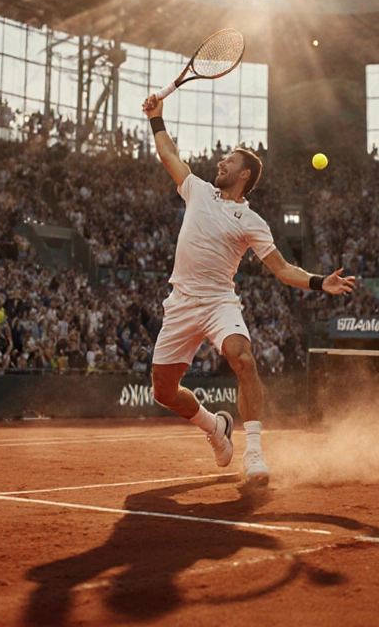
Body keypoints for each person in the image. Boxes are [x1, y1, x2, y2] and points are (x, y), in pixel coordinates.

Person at [141, 93, 355, 486]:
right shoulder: (197, 190)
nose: (220, 162)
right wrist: (157, 117)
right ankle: (214, 426)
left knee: (243, 357)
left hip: (219, 302)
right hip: (181, 302)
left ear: (243, 175)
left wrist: (317, 281)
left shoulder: (252, 220)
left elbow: (282, 269)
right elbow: (169, 155)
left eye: (229, 161)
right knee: (163, 392)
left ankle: (254, 450)